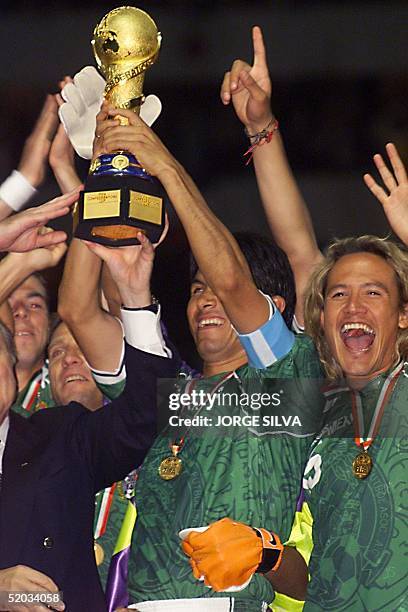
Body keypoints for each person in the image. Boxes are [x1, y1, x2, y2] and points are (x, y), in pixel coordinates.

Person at [84, 101, 324, 611]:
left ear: (274, 308)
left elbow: (241, 276)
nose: (205, 298)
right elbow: (93, 310)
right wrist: (102, 173)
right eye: (196, 289)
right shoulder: (166, 391)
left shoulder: (286, 374)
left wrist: (165, 165)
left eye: (214, 287)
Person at [0, 210, 179, 612]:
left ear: (14, 368)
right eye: (60, 350)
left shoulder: (56, 435)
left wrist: (134, 297)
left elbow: (142, 419)